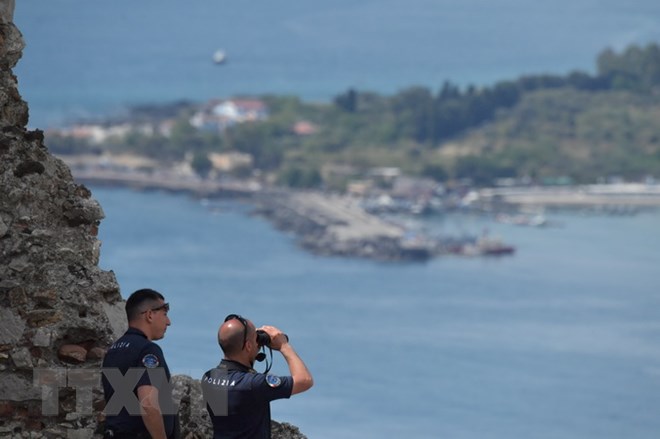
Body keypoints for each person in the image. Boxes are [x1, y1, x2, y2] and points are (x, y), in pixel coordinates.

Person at [201, 314, 313, 439]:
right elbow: (305, 380)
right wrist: (284, 346)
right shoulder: (252, 384)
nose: (259, 342)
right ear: (248, 346)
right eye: (256, 338)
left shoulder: (208, 378)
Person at [101, 288, 179, 439]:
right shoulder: (148, 349)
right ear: (150, 315)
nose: (168, 322)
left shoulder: (113, 351)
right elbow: (148, 403)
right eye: (164, 314)